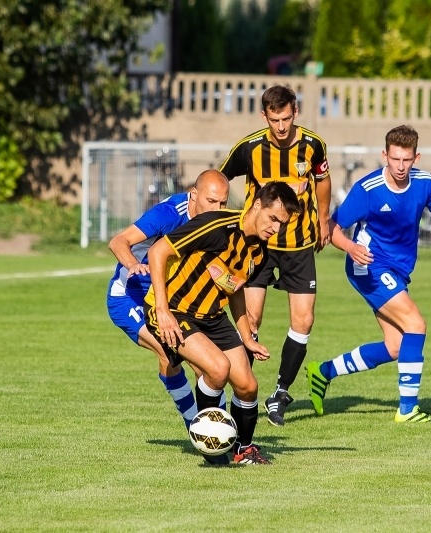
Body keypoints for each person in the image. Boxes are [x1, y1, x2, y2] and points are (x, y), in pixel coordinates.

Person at [305, 125, 431, 423]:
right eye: (394, 159)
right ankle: (407, 410)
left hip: (398, 269)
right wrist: (349, 248)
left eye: (406, 160)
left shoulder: (425, 184)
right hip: (367, 264)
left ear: (416, 157)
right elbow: (330, 227)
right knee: (416, 324)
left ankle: (323, 371)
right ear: (385, 155)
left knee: (396, 346)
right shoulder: (368, 190)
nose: (399, 166)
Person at [144, 181, 300, 465]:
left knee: (248, 385)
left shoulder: (258, 252)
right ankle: (209, 445)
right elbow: (158, 252)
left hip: (213, 317)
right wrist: (162, 310)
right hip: (176, 311)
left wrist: (247, 336)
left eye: (282, 224)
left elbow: (235, 288)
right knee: (218, 369)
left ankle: (243, 449)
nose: (276, 229)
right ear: (256, 206)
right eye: (273, 219)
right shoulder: (217, 225)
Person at [219, 84, 332, 427]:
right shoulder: (250, 148)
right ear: (263, 116)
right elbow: (218, 180)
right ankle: (242, 394)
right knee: (250, 321)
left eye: (285, 118)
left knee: (304, 321)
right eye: (274, 120)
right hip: (259, 247)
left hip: (299, 247)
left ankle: (280, 393)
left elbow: (323, 180)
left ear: (295, 112)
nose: (281, 127)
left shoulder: (313, 144)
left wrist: (324, 218)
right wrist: (223, 222)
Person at [107, 169, 230, 430]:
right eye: (211, 202)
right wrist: (132, 265)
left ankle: (220, 430)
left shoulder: (216, 224)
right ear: (194, 195)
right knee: (168, 350)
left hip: (171, 299)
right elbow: (118, 241)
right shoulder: (169, 214)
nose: (217, 209)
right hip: (131, 297)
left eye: (223, 203)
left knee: (206, 365)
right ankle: (196, 427)